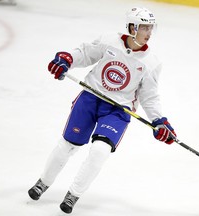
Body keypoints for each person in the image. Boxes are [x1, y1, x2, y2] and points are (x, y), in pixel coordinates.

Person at [28, 7, 177, 214]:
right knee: (67, 146)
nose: (149, 33)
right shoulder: (109, 41)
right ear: (132, 27)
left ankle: (73, 195)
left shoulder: (151, 62)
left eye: (151, 28)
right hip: (90, 98)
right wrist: (67, 60)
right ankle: (43, 182)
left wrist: (159, 120)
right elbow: (85, 54)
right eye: (144, 27)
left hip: (118, 110)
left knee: (100, 151)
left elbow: (149, 96)